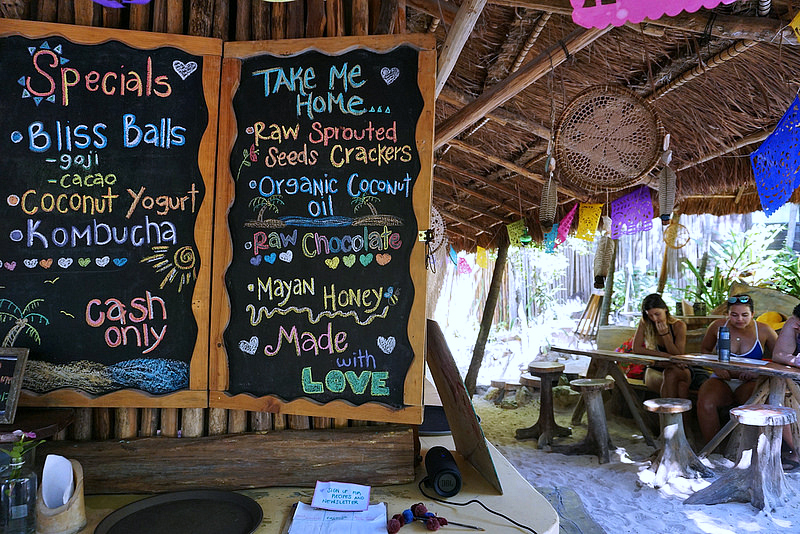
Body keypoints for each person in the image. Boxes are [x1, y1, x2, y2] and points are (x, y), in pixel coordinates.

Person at [696, 294, 778, 446]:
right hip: (721, 379)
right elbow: (705, 350)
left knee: (753, 404)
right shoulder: (717, 326)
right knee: (705, 401)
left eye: (744, 315)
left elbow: (778, 358)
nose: (739, 319)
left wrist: (757, 372)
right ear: (727, 314)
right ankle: (713, 449)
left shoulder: (764, 330)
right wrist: (715, 367)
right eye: (734, 315)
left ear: (753, 314)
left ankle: (746, 449)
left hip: (750, 382)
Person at [631, 293, 704, 398]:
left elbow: (678, 355)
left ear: (665, 309)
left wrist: (665, 335)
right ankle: (680, 414)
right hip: (656, 367)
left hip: (677, 367)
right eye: (650, 315)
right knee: (681, 387)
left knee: (671, 375)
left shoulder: (678, 325)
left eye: (657, 314)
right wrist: (663, 355)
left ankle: (665, 413)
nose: (654, 319)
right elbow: (636, 348)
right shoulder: (645, 323)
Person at [772, 302, 800, 471]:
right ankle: (792, 450)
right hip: (794, 378)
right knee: (774, 388)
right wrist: (794, 361)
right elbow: (778, 354)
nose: (797, 326)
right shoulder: (794, 323)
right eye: (797, 321)